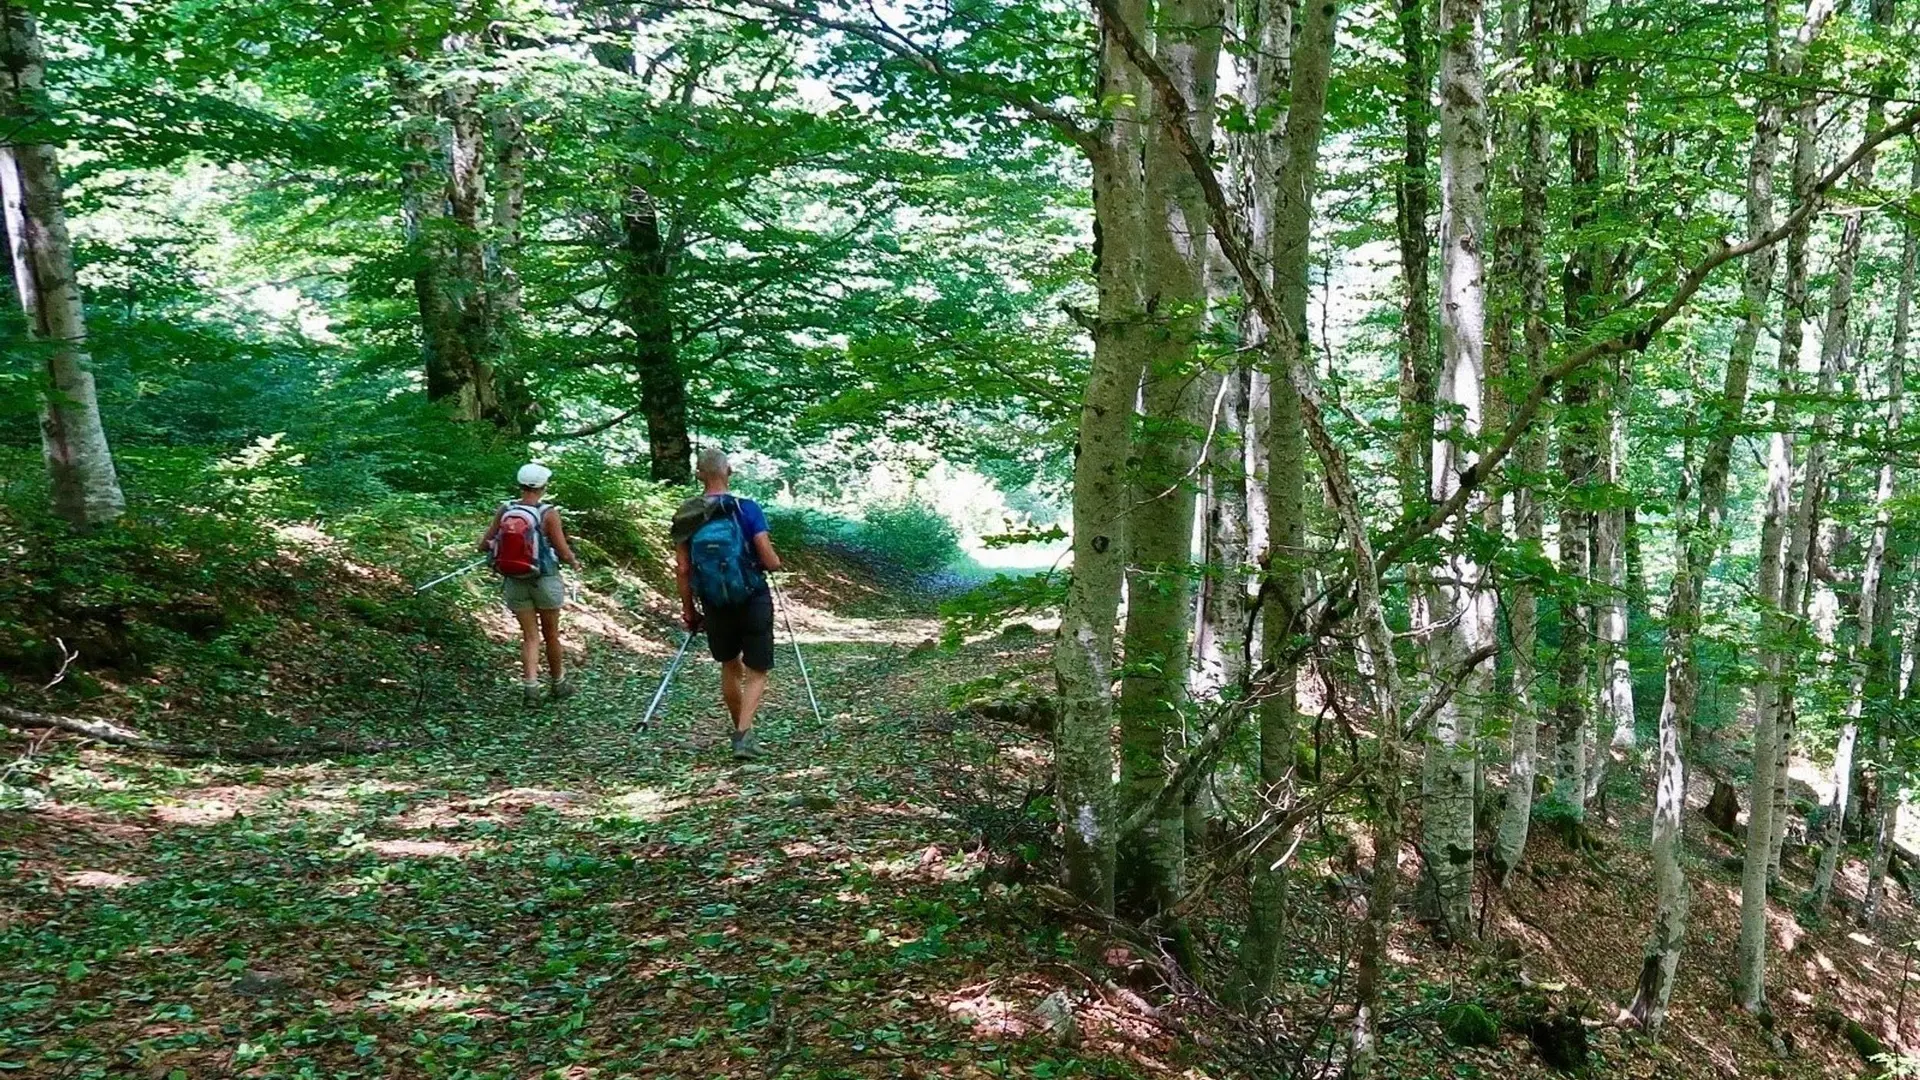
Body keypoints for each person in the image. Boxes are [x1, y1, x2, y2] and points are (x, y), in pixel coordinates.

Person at [671, 448, 783, 760]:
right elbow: (768, 558)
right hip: (751, 595)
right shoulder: (746, 509)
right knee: (757, 668)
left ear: (698, 475)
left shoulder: (686, 514)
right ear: (729, 471)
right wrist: (775, 565)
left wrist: (690, 611)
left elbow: (683, 569)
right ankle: (743, 735)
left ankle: (741, 730)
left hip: (713, 600)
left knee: (729, 664)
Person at [480, 463, 582, 704]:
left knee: (529, 636)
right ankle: (558, 683)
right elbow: (563, 551)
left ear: (520, 484)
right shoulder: (548, 513)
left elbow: (484, 544)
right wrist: (574, 562)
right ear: (544, 486)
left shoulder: (505, 509)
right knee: (551, 634)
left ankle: (531, 689)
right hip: (544, 579)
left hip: (515, 580)